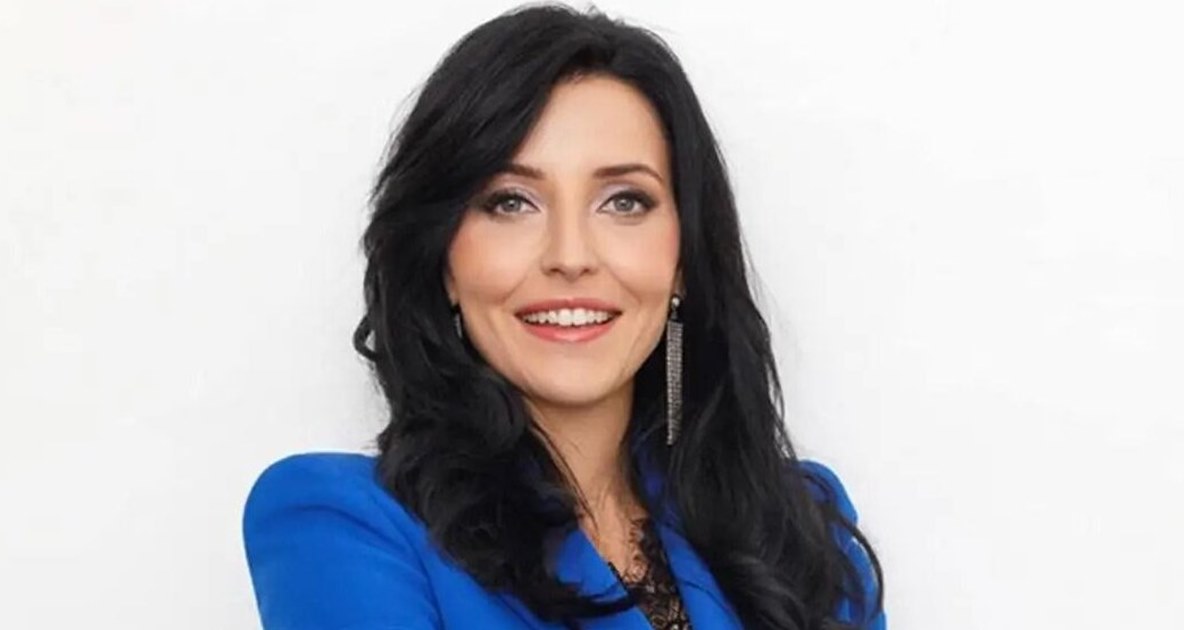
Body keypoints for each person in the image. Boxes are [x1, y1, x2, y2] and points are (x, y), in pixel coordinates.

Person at [242, 4, 885, 629]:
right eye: (511, 202)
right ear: (444, 261)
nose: (570, 256)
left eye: (624, 201)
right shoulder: (339, 523)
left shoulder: (796, 532)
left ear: (684, 258)